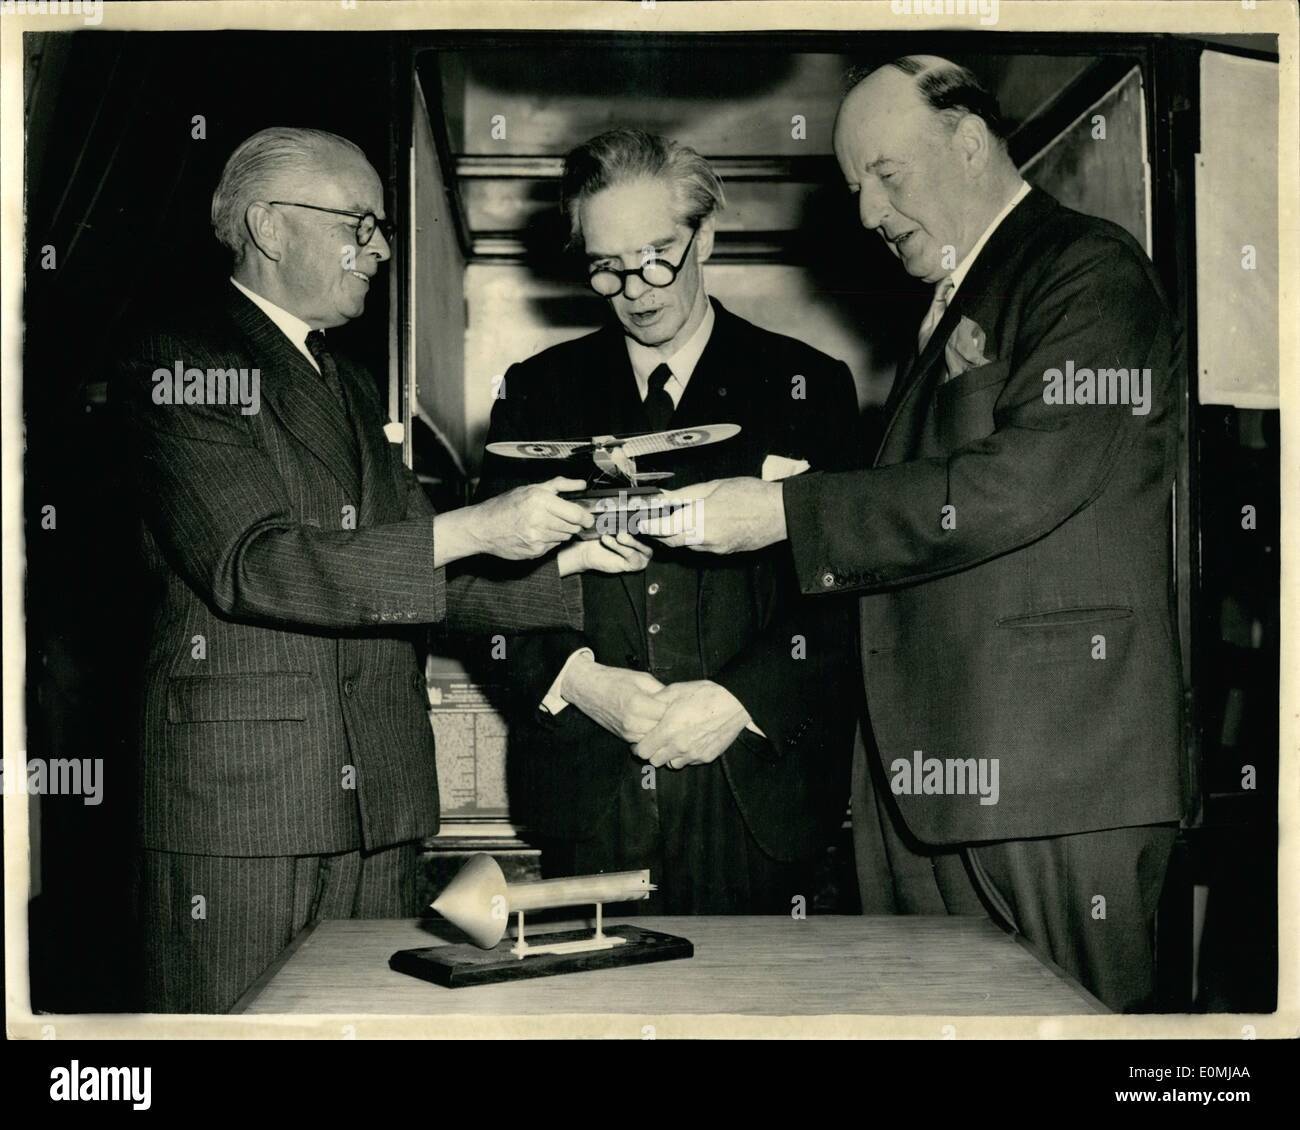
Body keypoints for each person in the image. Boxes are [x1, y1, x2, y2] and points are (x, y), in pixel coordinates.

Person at [644, 60, 1184, 1011]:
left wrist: (783, 511)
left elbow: (1019, 483)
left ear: (969, 143)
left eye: (886, 176)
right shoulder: (951, 303)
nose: (867, 213)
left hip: (1049, 783)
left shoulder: (1087, 271)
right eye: (854, 188)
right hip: (934, 789)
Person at [115, 126, 648, 1012]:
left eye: (384, 228)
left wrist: (571, 562)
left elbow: (418, 577)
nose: (382, 249)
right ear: (270, 226)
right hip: (246, 816)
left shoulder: (351, 384)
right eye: (359, 224)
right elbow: (256, 563)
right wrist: (477, 524)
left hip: (382, 808)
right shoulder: (184, 361)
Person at [466, 129, 860, 913]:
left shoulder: (808, 384)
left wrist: (740, 700)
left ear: (705, 235)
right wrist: (580, 683)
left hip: (756, 795)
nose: (635, 290)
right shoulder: (535, 392)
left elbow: (849, 584)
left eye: (656, 257)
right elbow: (481, 586)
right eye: (605, 267)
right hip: (588, 792)